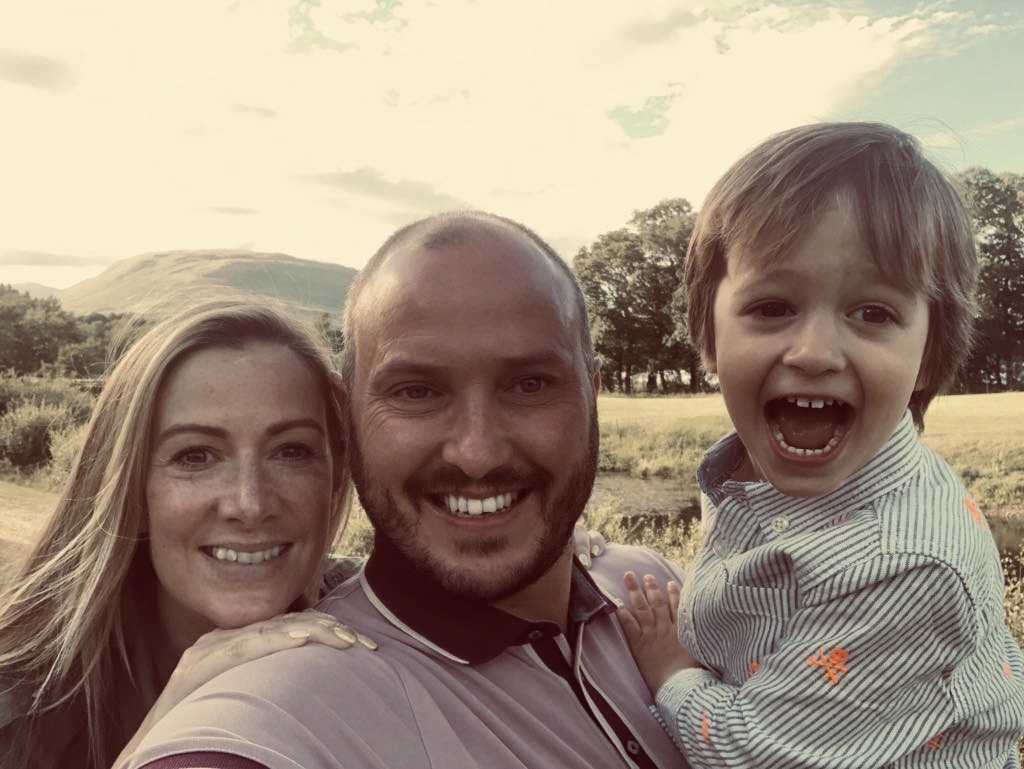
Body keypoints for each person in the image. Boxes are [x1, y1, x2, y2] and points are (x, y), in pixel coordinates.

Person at [117, 211, 690, 769]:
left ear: (592, 393)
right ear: (347, 416)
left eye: (529, 384)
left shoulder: (655, 590)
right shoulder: (281, 706)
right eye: (416, 391)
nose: (477, 452)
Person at [617, 121, 1024, 767]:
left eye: (873, 313)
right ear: (709, 337)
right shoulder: (755, 472)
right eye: (773, 307)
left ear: (929, 353)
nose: (813, 352)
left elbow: (756, 755)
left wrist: (671, 668)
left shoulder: (902, 566)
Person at [0, 299, 375, 769]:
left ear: (336, 478)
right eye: (196, 456)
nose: (250, 504)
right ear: (132, 494)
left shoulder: (384, 639)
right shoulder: (19, 714)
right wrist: (160, 739)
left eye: (291, 451)